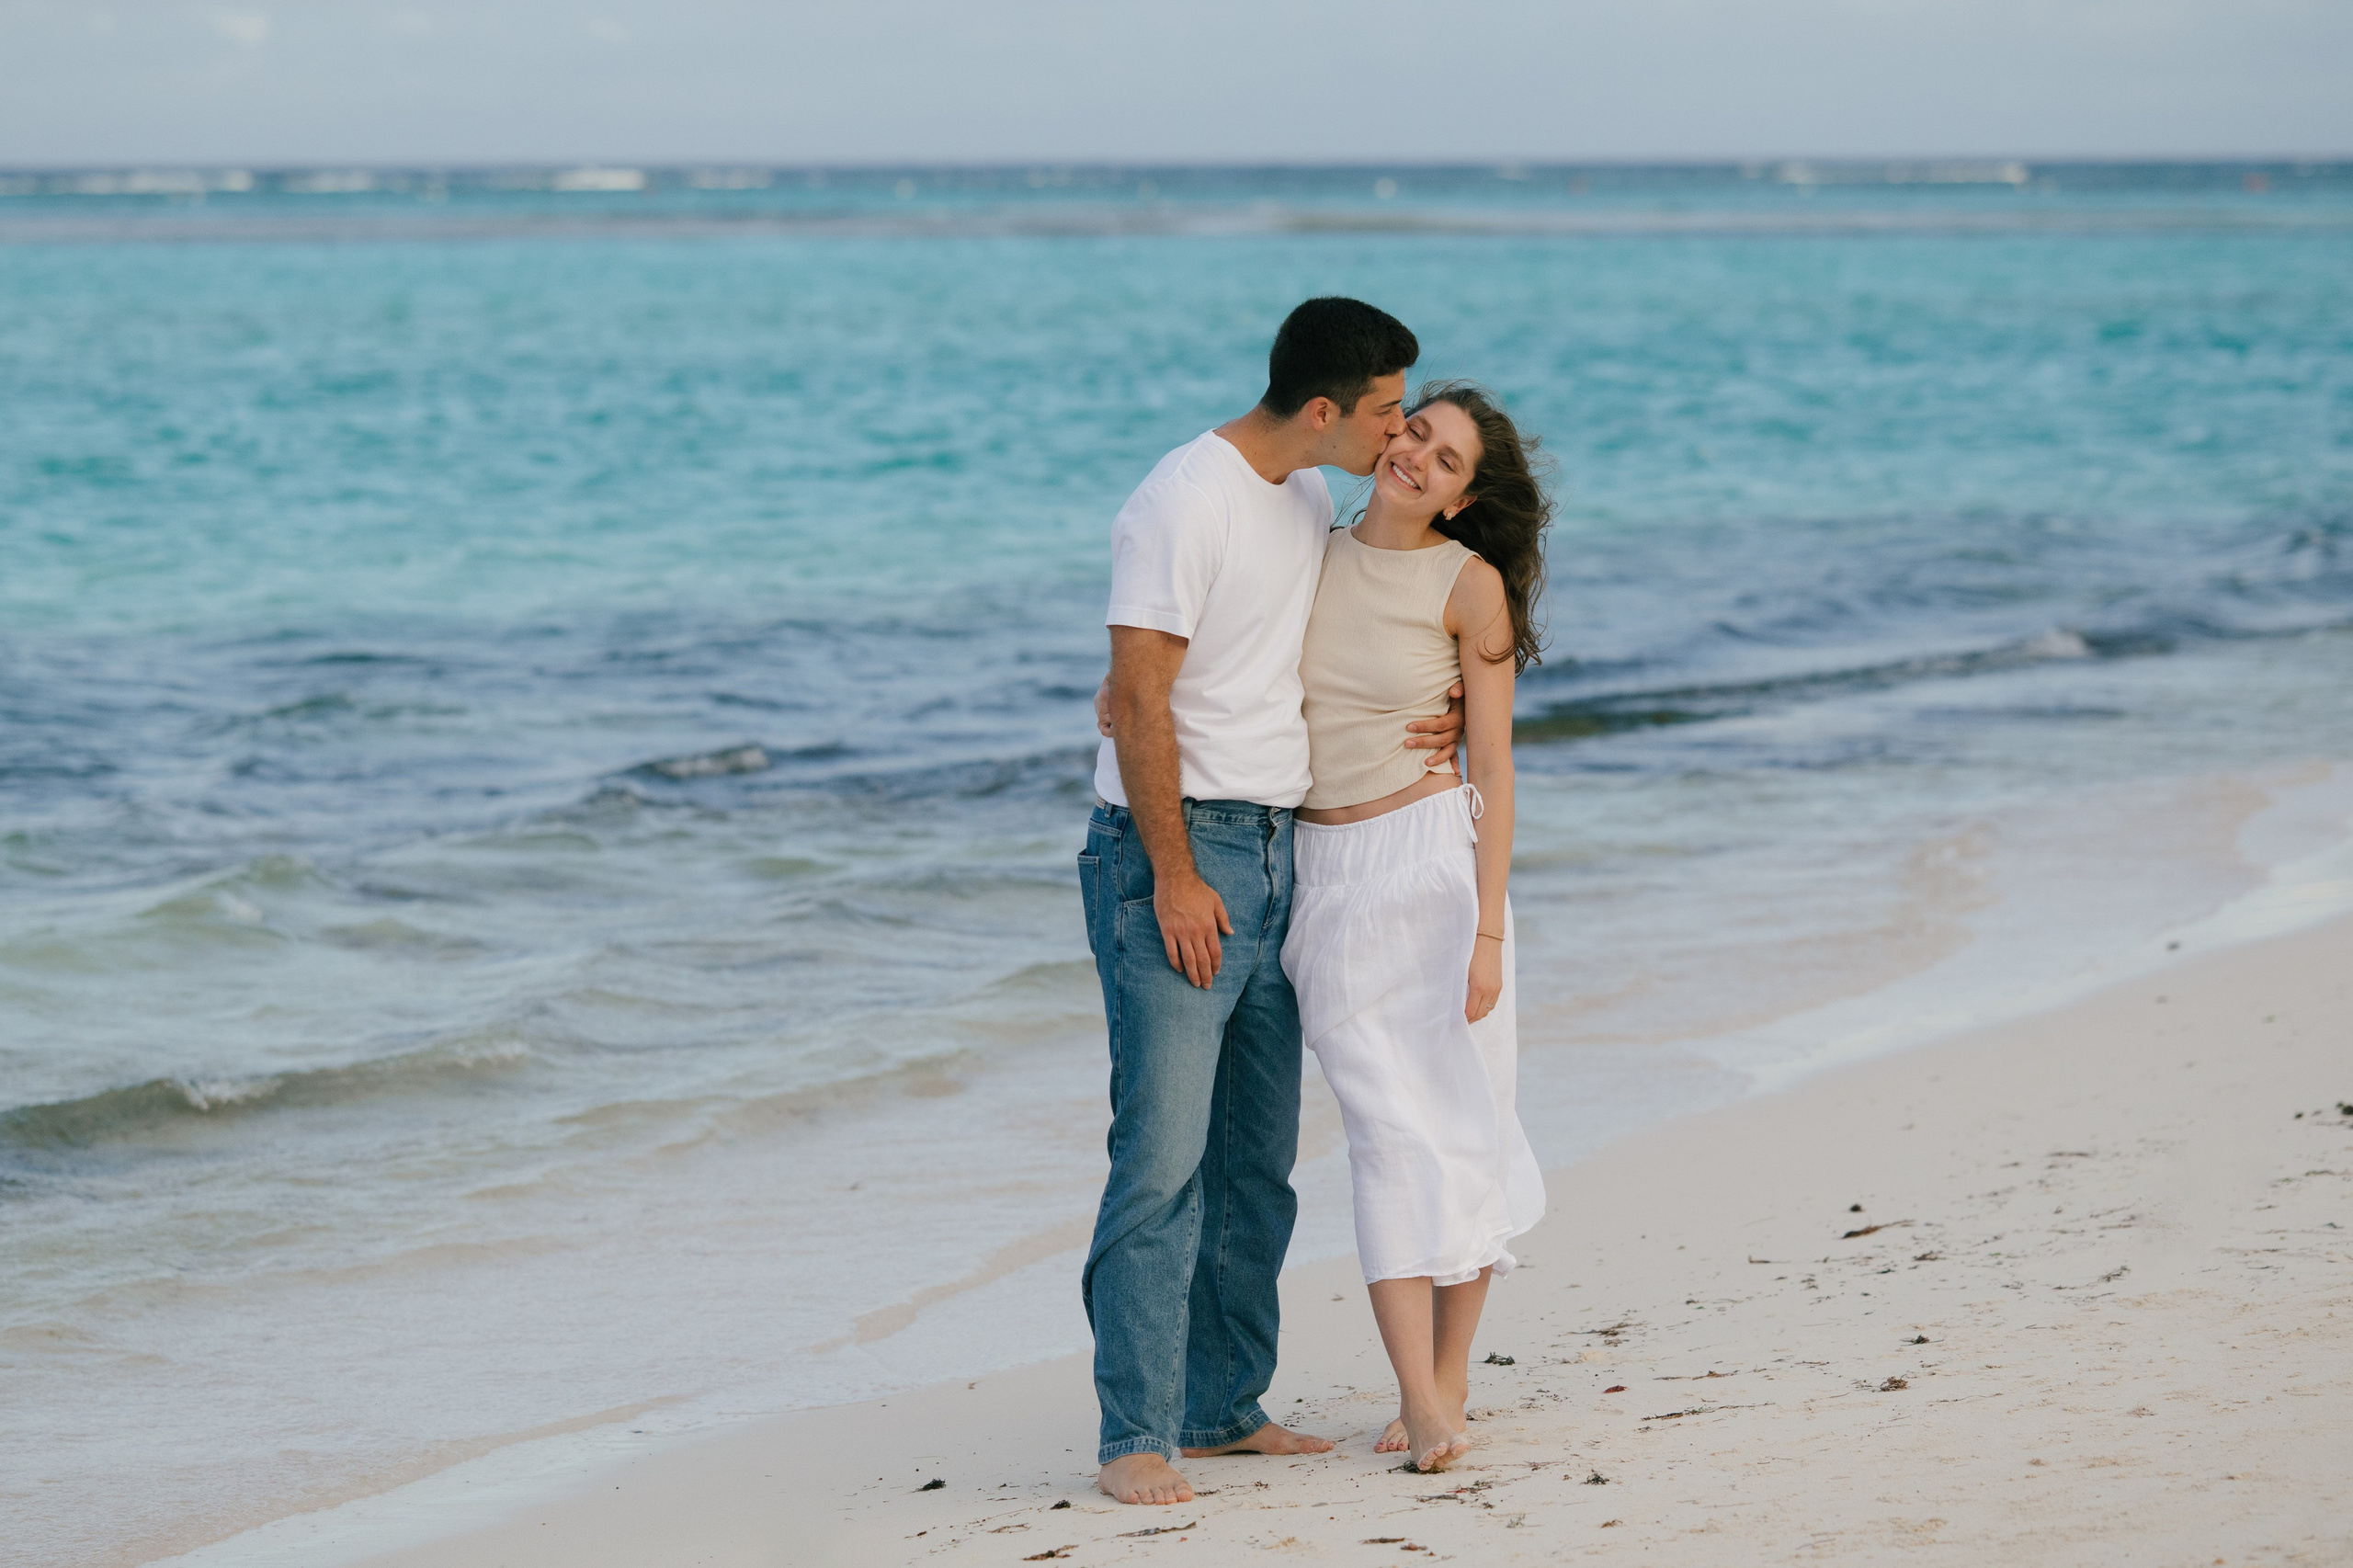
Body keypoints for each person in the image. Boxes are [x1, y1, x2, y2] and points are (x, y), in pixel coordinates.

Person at [1079, 298, 1463, 1506]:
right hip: (1177, 854)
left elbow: (1339, 629)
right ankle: (1135, 1433)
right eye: (1387, 408)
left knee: (1256, 1163)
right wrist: (1177, 874)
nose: (1396, 433)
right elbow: (1141, 702)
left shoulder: (1302, 497)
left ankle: (1222, 1406)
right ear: (1323, 409)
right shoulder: (1179, 499)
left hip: (1283, 848)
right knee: (1161, 1159)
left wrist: (1442, 709)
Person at [1280, 381, 1551, 1474]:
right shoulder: (1305, 540)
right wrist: (1125, 683)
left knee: (1464, 1120)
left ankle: (1439, 1390)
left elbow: (1492, 763)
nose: (1418, 460)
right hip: (1325, 872)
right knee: (1386, 1132)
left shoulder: (1468, 584)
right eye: (1416, 435)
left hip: (1436, 867)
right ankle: (1422, 1393)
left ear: (1461, 496)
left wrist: (1487, 929)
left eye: (1445, 461)